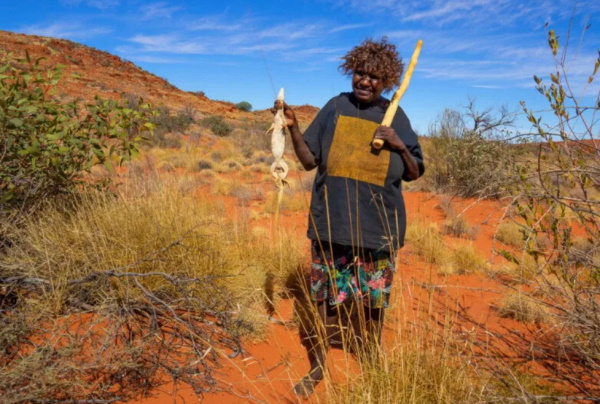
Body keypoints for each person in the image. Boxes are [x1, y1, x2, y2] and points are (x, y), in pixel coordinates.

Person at [275, 37, 425, 398]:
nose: (365, 81)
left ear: (385, 80)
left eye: (374, 77)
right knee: (326, 298)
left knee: (373, 302)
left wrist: (398, 144)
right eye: (360, 73)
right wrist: (293, 127)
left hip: (379, 229)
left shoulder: (394, 115)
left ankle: (371, 358)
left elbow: (414, 172)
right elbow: (310, 161)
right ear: (351, 72)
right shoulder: (335, 107)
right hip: (332, 223)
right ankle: (318, 366)